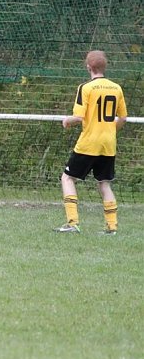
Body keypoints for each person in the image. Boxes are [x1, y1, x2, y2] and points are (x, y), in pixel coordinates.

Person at [55, 50, 127, 234]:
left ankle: (72, 222)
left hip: (89, 142)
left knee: (67, 177)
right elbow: (123, 118)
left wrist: (67, 121)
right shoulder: (116, 88)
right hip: (108, 143)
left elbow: (78, 117)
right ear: (105, 67)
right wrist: (110, 130)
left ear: (88, 67)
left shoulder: (85, 88)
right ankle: (112, 227)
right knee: (104, 183)